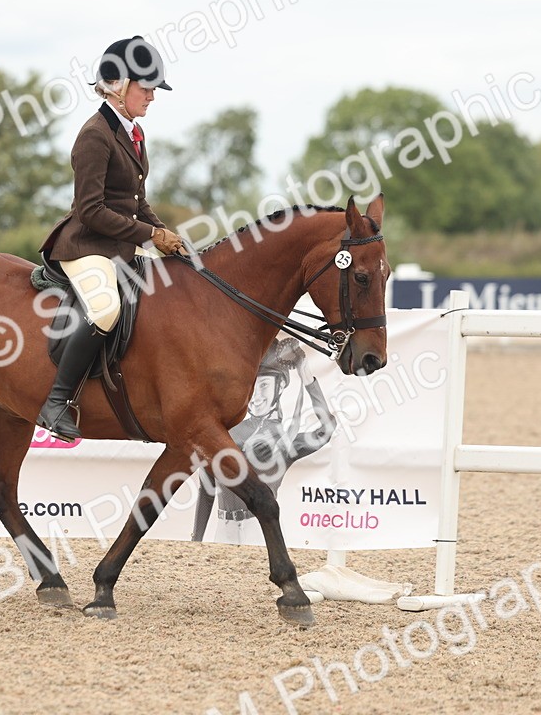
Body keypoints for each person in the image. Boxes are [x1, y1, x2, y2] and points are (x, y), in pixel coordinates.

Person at [37, 36, 186, 441]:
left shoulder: (133, 133)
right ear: (117, 85)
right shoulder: (95, 135)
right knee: (105, 310)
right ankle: (57, 402)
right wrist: (150, 234)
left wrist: (165, 235)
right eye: (147, 87)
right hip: (85, 245)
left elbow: (136, 202)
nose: (153, 96)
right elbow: (91, 210)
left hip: (118, 246)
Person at [191, 337, 338, 544]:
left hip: (260, 530)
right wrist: (196, 539)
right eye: (251, 386)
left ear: (279, 388)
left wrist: (306, 375)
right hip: (223, 529)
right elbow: (206, 489)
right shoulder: (225, 431)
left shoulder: (285, 438)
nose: (256, 396)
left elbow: (326, 430)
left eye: (264, 385)